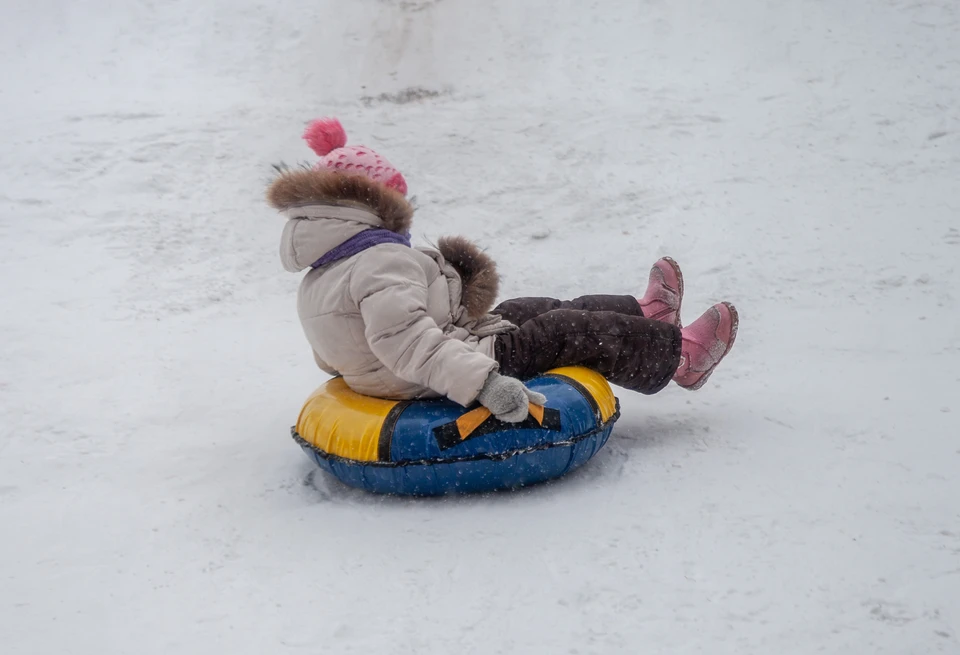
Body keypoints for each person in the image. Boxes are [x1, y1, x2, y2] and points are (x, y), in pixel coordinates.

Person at [269, 118, 738, 423]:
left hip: (436, 353)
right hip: (438, 374)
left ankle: (646, 315)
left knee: (528, 309)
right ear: (373, 202)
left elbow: (333, 356)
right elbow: (406, 342)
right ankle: (682, 359)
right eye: (397, 198)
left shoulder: (321, 271)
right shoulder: (377, 260)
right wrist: (483, 383)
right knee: (565, 329)